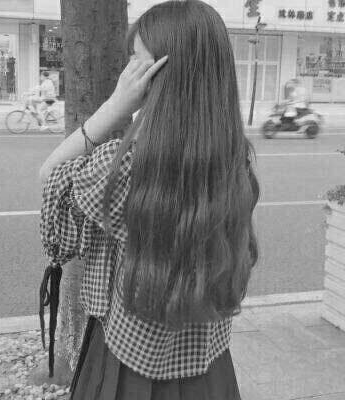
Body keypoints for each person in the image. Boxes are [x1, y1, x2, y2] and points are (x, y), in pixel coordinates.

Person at [39, 1, 259, 399]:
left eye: (136, 62)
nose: (128, 73)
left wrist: (114, 107)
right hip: (208, 362)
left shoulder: (124, 168)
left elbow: (50, 177)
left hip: (127, 364)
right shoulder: (233, 158)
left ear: (161, 76)